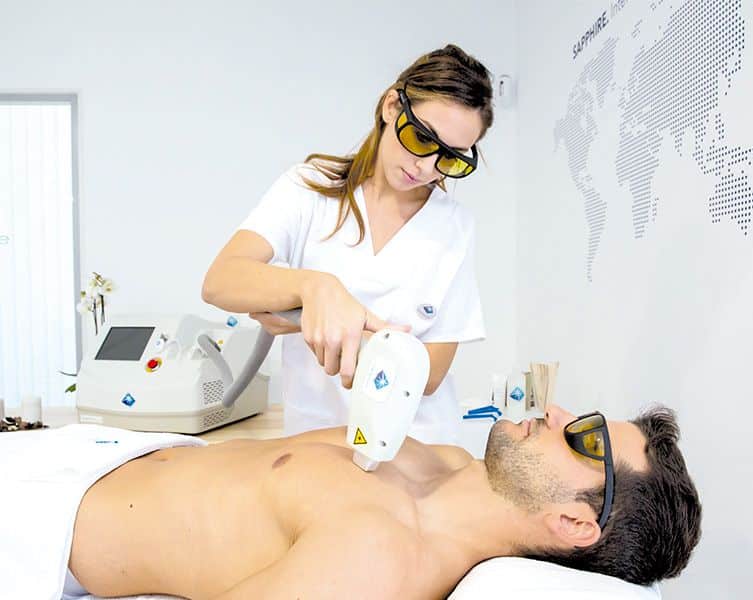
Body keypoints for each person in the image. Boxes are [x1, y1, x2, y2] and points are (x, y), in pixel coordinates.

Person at [62, 404, 701, 598]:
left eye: (586, 439)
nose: (558, 412)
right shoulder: (446, 461)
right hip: (93, 456)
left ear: (573, 522)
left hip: (51, 529)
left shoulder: (378, 560)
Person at [202, 44, 494, 443]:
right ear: (392, 106)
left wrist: (314, 319)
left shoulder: (454, 225)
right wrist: (316, 288)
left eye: (451, 158)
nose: (426, 167)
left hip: (417, 447)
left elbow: (430, 375)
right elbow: (221, 280)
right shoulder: (310, 187)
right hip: (317, 441)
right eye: (422, 138)